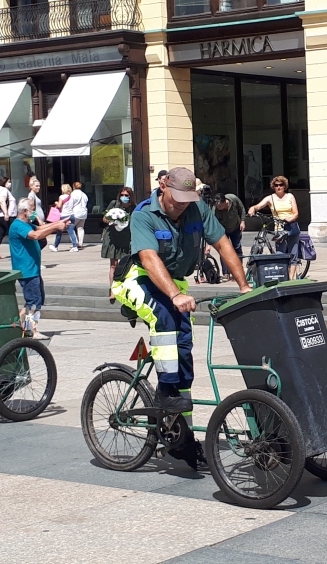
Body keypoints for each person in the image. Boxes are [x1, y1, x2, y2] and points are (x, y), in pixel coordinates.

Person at [113, 167, 250, 470]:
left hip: (174, 283)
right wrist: (174, 296)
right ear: (163, 187)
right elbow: (149, 259)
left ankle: (180, 434)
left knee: (184, 348)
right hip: (138, 279)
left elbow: (223, 243)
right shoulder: (143, 215)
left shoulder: (196, 207)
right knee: (164, 321)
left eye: (187, 200)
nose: (181, 206)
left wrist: (243, 285)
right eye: (176, 199)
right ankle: (165, 391)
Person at [9, 198, 72, 340]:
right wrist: (56, 227)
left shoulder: (26, 224)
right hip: (26, 271)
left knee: (34, 299)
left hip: (32, 269)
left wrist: (58, 223)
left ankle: (18, 324)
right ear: (25, 211)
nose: (34, 213)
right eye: (32, 209)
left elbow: (39, 229)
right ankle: (33, 331)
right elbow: (36, 235)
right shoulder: (18, 225)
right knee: (34, 301)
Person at [248, 176, 300, 279]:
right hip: (279, 229)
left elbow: (296, 213)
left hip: (291, 227)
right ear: (273, 187)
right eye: (276, 185)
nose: (279, 187)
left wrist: (290, 218)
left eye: (281, 185)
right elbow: (258, 206)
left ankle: (291, 277)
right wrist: (252, 208)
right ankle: (283, 276)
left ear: (285, 186)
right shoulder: (270, 198)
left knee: (293, 254)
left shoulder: (290, 196)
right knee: (280, 254)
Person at [102, 187, 136, 302]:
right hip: (113, 237)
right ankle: (113, 290)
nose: (124, 197)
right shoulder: (114, 204)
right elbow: (105, 219)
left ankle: (125, 289)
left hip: (126, 238)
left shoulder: (134, 208)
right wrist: (111, 219)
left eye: (127, 195)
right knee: (113, 264)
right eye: (122, 195)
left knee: (127, 264)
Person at [212, 192, 245, 280]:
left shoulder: (233, 199)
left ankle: (238, 272)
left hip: (235, 228)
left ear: (225, 202)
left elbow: (241, 209)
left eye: (220, 206)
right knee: (224, 250)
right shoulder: (215, 209)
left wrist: (243, 221)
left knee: (237, 248)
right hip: (223, 230)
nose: (218, 208)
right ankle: (226, 273)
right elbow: (213, 223)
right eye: (217, 206)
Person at [0, 176, 16, 260]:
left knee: (0, 234)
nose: (10, 183)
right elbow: (2, 201)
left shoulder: (0, 190)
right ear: (5, 182)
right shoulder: (3, 190)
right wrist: (6, 214)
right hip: (6, 216)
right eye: (8, 181)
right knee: (13, 234)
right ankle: (16, 252)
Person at [49, 184, 79, 252]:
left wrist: (56, 203)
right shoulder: (72, 197)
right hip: (71, 215)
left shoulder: (61, 196)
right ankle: (75, 246)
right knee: (71, 231)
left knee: (59, 231)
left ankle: (55, 246)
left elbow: (59, 206)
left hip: (64, 215)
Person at [67, 181, 90, 248]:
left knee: (70, 228)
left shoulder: (73, 194)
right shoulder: (84, 194)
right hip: (83, 213)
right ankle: (80, 243)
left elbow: (70, 204)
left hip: (75, 212)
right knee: (80, 228)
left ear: (73, 187)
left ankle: (75, 242)